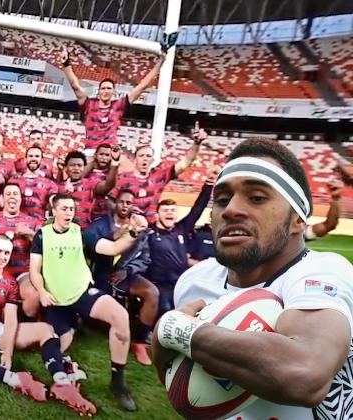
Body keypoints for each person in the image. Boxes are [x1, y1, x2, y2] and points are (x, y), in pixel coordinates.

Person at [152, 138, 353, 419]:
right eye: (221, 200)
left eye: (257, 197)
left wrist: (177, 330)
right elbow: (180, 384)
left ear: (298, 220)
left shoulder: (322, 272)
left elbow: (306, 375)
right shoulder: (194, 280)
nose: (231, 209)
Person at [0, 238, 94, 414]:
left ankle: (62, 382)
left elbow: (10, 319)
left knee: (45, 330)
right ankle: (15, 380)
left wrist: (7, 353)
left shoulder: (10, 282)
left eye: (6, 253)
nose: (2, 257)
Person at [30, 193, 149, 411]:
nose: (69, 213)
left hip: (83, 293)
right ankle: (61, 377)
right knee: (56, 343)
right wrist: (42, 291)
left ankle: (117, 382)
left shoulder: (82, 233)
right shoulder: (42, 236)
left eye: (71, 209)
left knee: (120, 317)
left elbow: (112, 248)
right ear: (54, 210)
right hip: (56, 301)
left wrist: (133, 232)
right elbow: (34, 270)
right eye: (64, 208)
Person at [86, 189, 156, 365]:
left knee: (152, 293)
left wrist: (128, 270)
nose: (125, 206)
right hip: (102, 274)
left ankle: (139, 342)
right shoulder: (100, 224)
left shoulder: (140, 229)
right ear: (115, 203)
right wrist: (119, 235)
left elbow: (145, 257)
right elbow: (91, 247)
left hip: (126, 273)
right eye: (122, 202)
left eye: (129, 203)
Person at [61, 51, 163, 150]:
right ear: (99, 91)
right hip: (91, 150)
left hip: (109, 151)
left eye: (109, 88)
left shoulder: (119, 105)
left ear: (113, 92)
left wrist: (158, 65)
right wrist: (66, 64)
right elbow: (75, 86)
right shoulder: (89, 104)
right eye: (103, 88)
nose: (106, 91)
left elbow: (141, 87)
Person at [145, 171, 214, 315]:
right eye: (165, 210)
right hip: (158, 284)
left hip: (181, 282)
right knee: (166, 309)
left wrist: (208, 185)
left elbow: (198, 209)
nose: (169, 213)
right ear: (157, 215)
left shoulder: (181, 228)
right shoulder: (148, 232)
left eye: (172, 211)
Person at [114, 125, 205, 222]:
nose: (145, 158)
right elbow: (112, 201)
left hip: (150, 228)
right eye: (141, 156)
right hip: (128, 226)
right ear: (134, 159)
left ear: (152, 160)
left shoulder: (159, 176)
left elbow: (185, 163)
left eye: (148, 156)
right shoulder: (122, 178)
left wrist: (197, 143)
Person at [59, 150, 119, 229]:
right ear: (66, 168)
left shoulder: (90, 184)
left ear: (84, 167)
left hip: (83, 231)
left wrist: (114, 164)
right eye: (72, 165)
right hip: (63, 231)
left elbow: (108, 185)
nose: (76, 168)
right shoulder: (58, 187)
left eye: (79, 165)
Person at [9, 145, 58, 221]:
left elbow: (54, 200)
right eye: (31, 156)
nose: (33, 159)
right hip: (17, 223)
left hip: (39, 225)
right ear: (26, 159)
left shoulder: (50, 183)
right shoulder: (14, 181)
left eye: (37, 156)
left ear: (41, 160)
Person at [85, 143, 120, 220]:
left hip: (106, 217)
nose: (104, 158)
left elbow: (109, 186)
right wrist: (91, 163)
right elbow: (78, 177)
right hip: (87, 215)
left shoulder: (113, 174)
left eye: (107, 155)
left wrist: (115, 163)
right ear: (95, 155)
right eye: (101, 154)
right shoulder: (89, 173)